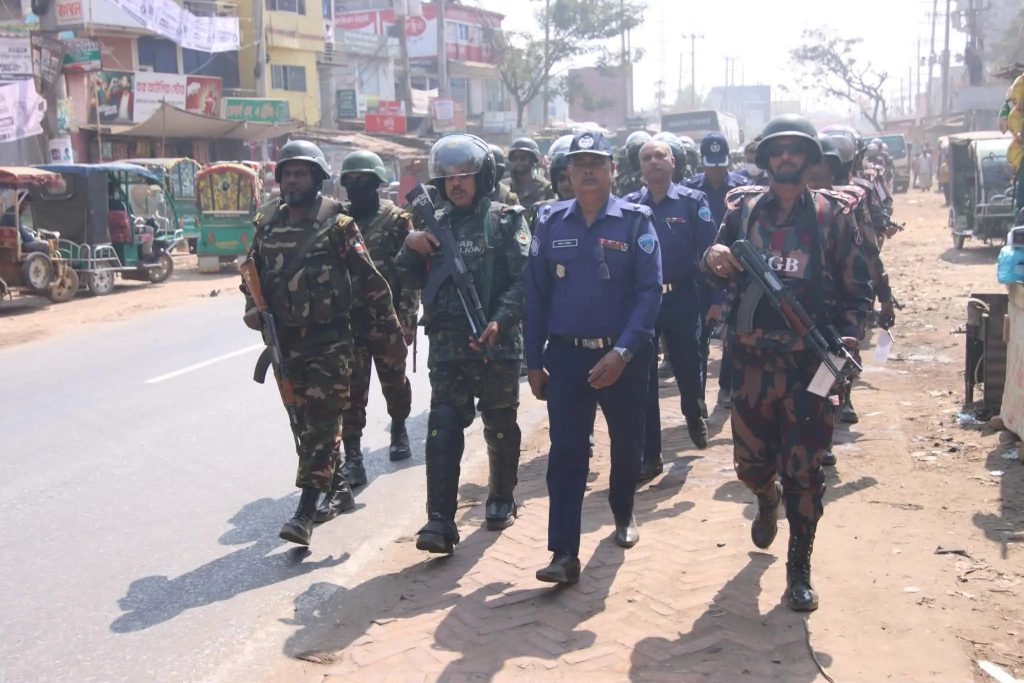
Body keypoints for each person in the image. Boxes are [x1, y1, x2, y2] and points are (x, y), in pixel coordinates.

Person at [701, 115, 872, 611]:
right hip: (752, 363)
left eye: (796, 149)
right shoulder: (744, 210)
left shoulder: (832, 216)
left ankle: (799, 568)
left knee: (806, 470)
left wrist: (848, 336)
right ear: (766, 158)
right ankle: (764, 496)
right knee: (751, 466)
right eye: (778, 150)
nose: (786, 157)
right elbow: (711, 265)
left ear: (810, 157)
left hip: (810, 368)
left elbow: (857, 289)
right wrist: (712, 256)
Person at [241, 140, 407, 546]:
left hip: (330, 342)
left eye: (301, 174)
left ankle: (304, 513)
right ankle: (338, 488)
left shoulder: (338, 225)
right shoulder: (267, 222)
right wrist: (252, 308)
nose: (292, 181)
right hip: (286, 344)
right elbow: (250, 274)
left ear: (317, 179)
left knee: (321, 424)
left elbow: (371, 283)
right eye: (287, 174)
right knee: (303, 424)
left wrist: (392, 336)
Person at [525, 130, 662, 585]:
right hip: (567, 357)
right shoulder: (550, 222)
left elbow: (649, 294)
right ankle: (563, 551)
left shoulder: (636, 222)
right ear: (567, 172)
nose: (587, 171)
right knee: (566, 452)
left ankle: (622, 510)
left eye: (596, 163)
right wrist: (532, 360)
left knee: (626, 444)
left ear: (612, 170)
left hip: (623, 357)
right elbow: (535, 295)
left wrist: (622, 352)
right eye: (579, 164)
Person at [398, 133, 530, 554]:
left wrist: (499, 321)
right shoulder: (431, 223)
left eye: (465, 175)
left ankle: (501, 496)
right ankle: (439, 519)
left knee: (501, 426)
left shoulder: (506, 220)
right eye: (449, 177)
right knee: (442, 427)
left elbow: (525, 282)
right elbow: (405, 278)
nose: (456, 183)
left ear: (482, 177)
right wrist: (410, 246)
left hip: (496, 346)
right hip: (447, 349)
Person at [316, 151, 419, 520]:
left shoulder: (396, 220)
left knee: (394, 381)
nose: (357, 187)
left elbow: (410, 273)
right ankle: (355, 456)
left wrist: (407, 317)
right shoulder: (338, 222)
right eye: (351, 181)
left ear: (377, 183)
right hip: (350, 322)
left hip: (386, 319)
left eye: (364, 181)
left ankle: (399, 428)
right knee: (351, 391)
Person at [626, 139, 715, 487]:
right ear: (640, 165)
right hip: (644, 302)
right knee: (645, 379)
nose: (653, 162)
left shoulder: (693, 202)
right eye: (646, 157)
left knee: (688, 366)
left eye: (659, 156)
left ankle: (693, 410)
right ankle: (651, 455)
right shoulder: (631, 205)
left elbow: (710, 252)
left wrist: (716, 298)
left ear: (673, 162)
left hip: (682, 297)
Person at [809, 133, 895, 466]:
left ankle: (824, 435)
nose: (818, 171)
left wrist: (884, 297)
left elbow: (869, 251)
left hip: (839, 303)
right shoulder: (782, 205)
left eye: (825, 165)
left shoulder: (849, 203)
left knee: (831, 370)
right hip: (796, 308)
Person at [686, 133, 752, 410]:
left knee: (732, 336)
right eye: (711, 165)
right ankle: (698, 397)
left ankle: (727, 387)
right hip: (700, 274)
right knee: (698, 338)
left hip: (734, 271)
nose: (716, 171)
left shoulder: (743, 190)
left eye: (720, 165)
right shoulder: (690, 189)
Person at [503, 137, 554, 212]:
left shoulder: (546, 188)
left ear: (532, 160)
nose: (518, 161)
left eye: (523, 158)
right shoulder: (503, 187)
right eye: (515, 158)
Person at [614, 130, 652, 196]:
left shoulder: (658, 176)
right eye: (635, 157)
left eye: (645, 157)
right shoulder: (624, 181)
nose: (639, 161)